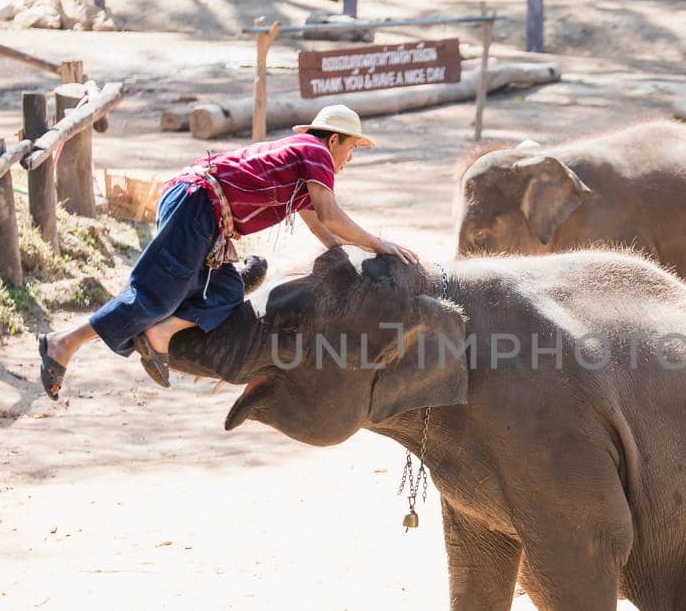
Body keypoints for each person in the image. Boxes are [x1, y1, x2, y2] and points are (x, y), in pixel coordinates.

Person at [36, 104, 418, 400]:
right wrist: (378, 245)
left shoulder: (305, 169)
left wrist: (344, 253)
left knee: (225, 293)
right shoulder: (315, 152)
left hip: (209, 218)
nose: (350, 158)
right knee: (159, 292)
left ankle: (162, 332)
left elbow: (317, 220)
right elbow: (330, 214)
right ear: (333, 140)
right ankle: (64, 342)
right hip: (197, 202)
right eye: (351, 148)